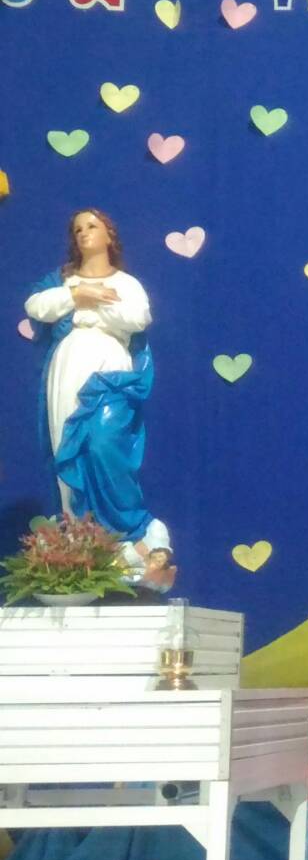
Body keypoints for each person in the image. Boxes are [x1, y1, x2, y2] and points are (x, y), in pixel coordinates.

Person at [22, 208, 173, 590]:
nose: (84, 233)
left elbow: (137, 318)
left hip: (110, 372)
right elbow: (36, 306)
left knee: (105, 445)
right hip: (67, 371)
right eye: (77, 229)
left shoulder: (126, 282)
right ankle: (82, 542)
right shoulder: (62, 281)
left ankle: (132, 531)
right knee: (67, 450)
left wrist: (92, 306)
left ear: (109, 235)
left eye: (92, 226)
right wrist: (78, 294)